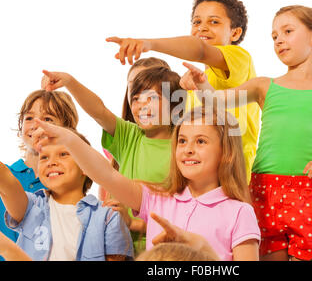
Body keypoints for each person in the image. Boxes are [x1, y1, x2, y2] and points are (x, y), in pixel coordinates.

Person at [179, 5, 312, 261]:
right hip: (263, 191)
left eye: (287, 31)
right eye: (274, 36)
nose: (279, 40)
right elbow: (216, 102)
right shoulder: (264, 86)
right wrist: (202, 84)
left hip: (310, 194)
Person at [32, 105, 261, 261]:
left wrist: (202, 250)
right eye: (182, 141)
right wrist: (68, 139)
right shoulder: (155, 198)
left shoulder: (239, 213)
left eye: (201, 141)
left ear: (226, 152)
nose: (188, 148)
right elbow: (106, 175)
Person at [106, 0, 260, 182]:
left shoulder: (239, 59)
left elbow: (201, 51)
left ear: (235, 33)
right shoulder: (193, 81)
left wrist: (149, 44)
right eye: (197, 22)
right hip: (200, 186)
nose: (202, 28)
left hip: (232, 181)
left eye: (214, 21)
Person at [41, 65, 184, 255]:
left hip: (156, 252)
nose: (142, 105)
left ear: (175, 105)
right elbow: (99, 111)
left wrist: (133, 223)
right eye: (135, 99)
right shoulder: (130, 136)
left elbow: (182, 212)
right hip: (114, 247)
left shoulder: (183, 149)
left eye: (152, 98)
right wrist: (69, 82)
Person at [0, 130, 133, 261]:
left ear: (86, 166)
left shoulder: (108, 217)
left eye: (63, 154)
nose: (51, 162)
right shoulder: (31, 206)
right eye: (44, 157)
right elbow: (6, 180)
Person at [0, 89, 79, 261]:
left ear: (66, 130)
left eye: (48, 119)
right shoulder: (5, 175)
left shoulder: (66, 187)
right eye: (29, 118)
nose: (36, 124)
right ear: (21, 126)